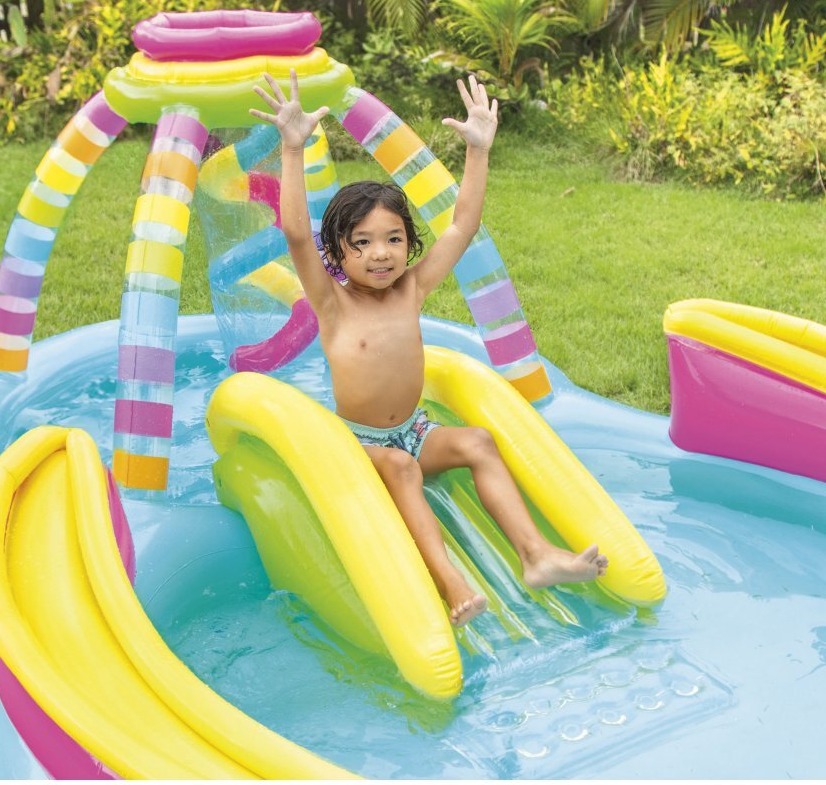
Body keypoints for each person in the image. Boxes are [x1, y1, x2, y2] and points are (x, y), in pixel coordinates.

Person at [251, 71, 608, 627]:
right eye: (362, 243)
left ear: (408, 244)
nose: (381, 254)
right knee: (399, 467)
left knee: (479, 441)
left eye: (394, 239)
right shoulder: (332, 303)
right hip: (362, 444)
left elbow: (462, 227)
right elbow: (297, 233)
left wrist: (478, 150)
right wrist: (291, 148)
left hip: (416, 430)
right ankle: (450, 585)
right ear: (338, 255)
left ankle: (537, 557)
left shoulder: (411, 289)